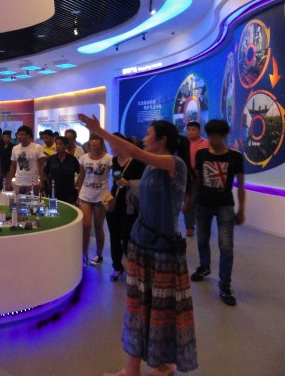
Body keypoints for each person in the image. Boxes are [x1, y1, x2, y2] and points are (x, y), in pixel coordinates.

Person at [79, 114, 197, 376]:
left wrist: (100, 131)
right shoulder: (151, 168)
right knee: (137, 307)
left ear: (162, 139)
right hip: (143, 244)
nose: (144, 138)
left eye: (148, 134)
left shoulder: (174, 163)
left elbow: (133, 151)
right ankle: (131, 368)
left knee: (161, 310)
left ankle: (163, 364)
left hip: (164, 250)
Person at [190, 119, 244, 307]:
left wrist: (241, 209)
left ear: (224, 136)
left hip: (225, 205)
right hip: (203, 204)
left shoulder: (235, 157)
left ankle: (225, 286)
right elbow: (197, 180)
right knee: (202, 240)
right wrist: (189, 200)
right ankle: (204, 267)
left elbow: (241, 185)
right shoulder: (202, 154)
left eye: (217, 136)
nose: (213, 140)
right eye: (211, 136)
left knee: (226, 246)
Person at [105, 133, 146, 281]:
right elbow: (116, 180)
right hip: (114, 202)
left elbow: (145, 183)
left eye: (114, 145)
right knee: (114, 236)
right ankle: (117, 266)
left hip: (131, 205)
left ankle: (133, 267)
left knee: (128, 237)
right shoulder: (114, 160)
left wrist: (128, 183)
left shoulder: (137, 161)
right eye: (110, 145)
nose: (112, 148)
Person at [75, 134, 112, 266]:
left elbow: (117, 174)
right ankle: (84, 254)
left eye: (97, 139)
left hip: (101, 196)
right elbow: (81, 177)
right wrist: (78, 194)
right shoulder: (84, 158)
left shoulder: (109, 159)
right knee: (85, 226)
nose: (94, 142)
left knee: (98, 227)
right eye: (92, 139)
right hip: (85, 195)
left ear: (101, 142)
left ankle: (99, 254)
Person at [183, 121, 208, 237]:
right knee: (189, 201)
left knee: (201, 203)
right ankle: (189, 227)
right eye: (189, 130)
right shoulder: (183, 143)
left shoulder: (206, 143)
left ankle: (203, 225)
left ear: (199, 131)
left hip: (202, 177)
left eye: (193, 129)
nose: (190, 132)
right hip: (188, 177)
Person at [6, 125, 46, 194]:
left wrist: (42, 181)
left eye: (22, 134)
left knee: (33, 200)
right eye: (18, 134)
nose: (19, 136)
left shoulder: (37, 147)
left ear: (29, 135)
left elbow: (42, 165)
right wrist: (9, 181)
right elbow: (12, 166)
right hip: (18, 182)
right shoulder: (15, 148)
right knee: (17, 200)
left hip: (33, 182)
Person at [44, 136, 80, 204]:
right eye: (56, 144)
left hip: (68, 192)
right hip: (54, 191)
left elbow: (80, 172)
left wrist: (76, 184)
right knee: (53, 209)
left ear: (66, 146)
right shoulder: (51, 159)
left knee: (67, 209)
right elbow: (45, 172)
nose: (58, 146)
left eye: (60, 144)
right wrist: (49, 183)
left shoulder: (72, 159)